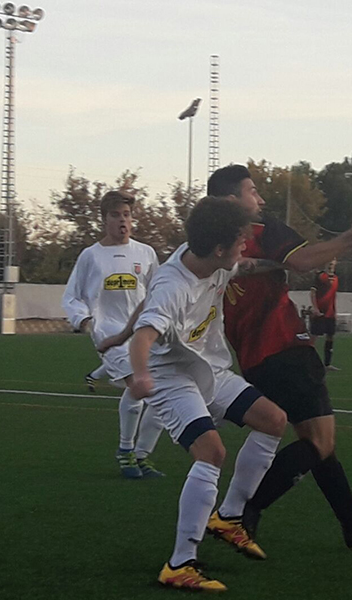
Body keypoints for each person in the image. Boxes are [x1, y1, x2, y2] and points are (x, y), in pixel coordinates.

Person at [208, 165, 352, 556]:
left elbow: (259, 269)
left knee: (315, 440)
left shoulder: (210, 246)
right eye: (252, 191)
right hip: (287, 349)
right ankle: (243, 512)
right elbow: (304, 260)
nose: (260, 199)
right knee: (319, 442)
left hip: (253, 360)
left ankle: (351, 522)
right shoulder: (257, 229)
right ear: (230, 201)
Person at [126, 198, 288, 591]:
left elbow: (247, 266)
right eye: (239, 241)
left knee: (273, 421)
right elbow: (143, 336)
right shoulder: (173, 285)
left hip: (210, 369)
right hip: (172, 377)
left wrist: (285, 265)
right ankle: (180, 564)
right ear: (219, 249)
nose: (244, 247)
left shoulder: (211, 259)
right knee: (212, 452)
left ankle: (229, 517)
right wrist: (141, 375)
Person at [61, 190, 166, 478]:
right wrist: (85, 323)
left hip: (143, 333)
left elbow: (158, 292)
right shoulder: (91, 256)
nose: (123, 221)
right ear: (104, 219)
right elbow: (71, 297)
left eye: (127, 215)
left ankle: (141, 455)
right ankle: (125, 450)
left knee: (161, 392)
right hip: (108, 334)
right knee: (139, 386)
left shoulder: (146, 253)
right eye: (116, 215)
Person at [310, 259, 340, 370]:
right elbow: (313, 293)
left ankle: (327, 364)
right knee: (314, 337)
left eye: (333, 262)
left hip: (330, 313)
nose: (331, 265)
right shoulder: (319, 276)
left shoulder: (336, 278)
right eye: (329, 262)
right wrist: (315, 308)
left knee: (330, 336)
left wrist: (335, 311)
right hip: (320, 312)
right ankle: (309, 361)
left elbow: (333, 297)